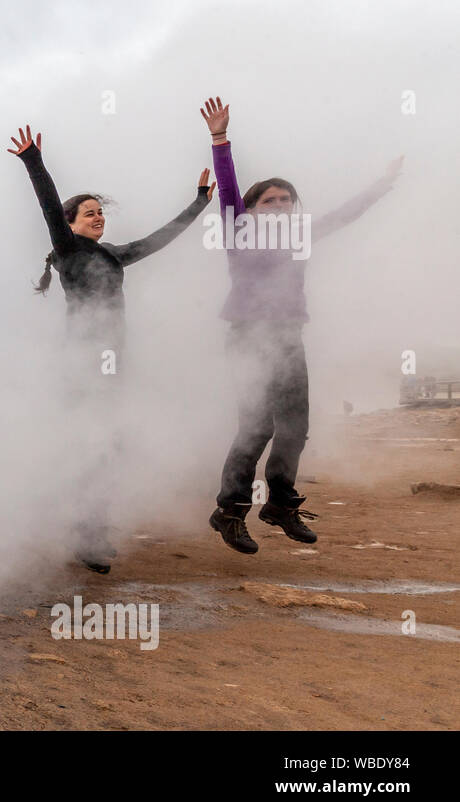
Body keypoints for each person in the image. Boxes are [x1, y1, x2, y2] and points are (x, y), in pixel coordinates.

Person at [199, 96, 402, 554]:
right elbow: (228, 190)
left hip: (288, 337)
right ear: (251, 209)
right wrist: (219, 139)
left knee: (295, 426)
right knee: (255, 427)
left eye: (287, 201)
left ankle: (280, 503)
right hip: (249, 337)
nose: (280, 206)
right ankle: (230, 511)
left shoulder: (300, 236)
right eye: (270, 200)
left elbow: (346, 214)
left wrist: (384, 185)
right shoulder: (238, 228)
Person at [7, 125, 214, 573]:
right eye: (89, 213)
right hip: (81, 366)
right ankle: (83, 534)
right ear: (71, 223)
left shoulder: (114, 255)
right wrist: (33, 162)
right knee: (91, 448)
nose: (99, 217)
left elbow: (161, 238)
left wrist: (199, 202)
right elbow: (47, 208)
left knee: (110, 449)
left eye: (101, 212)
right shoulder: (67, 250)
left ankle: (90, 528)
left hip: (111, 365)